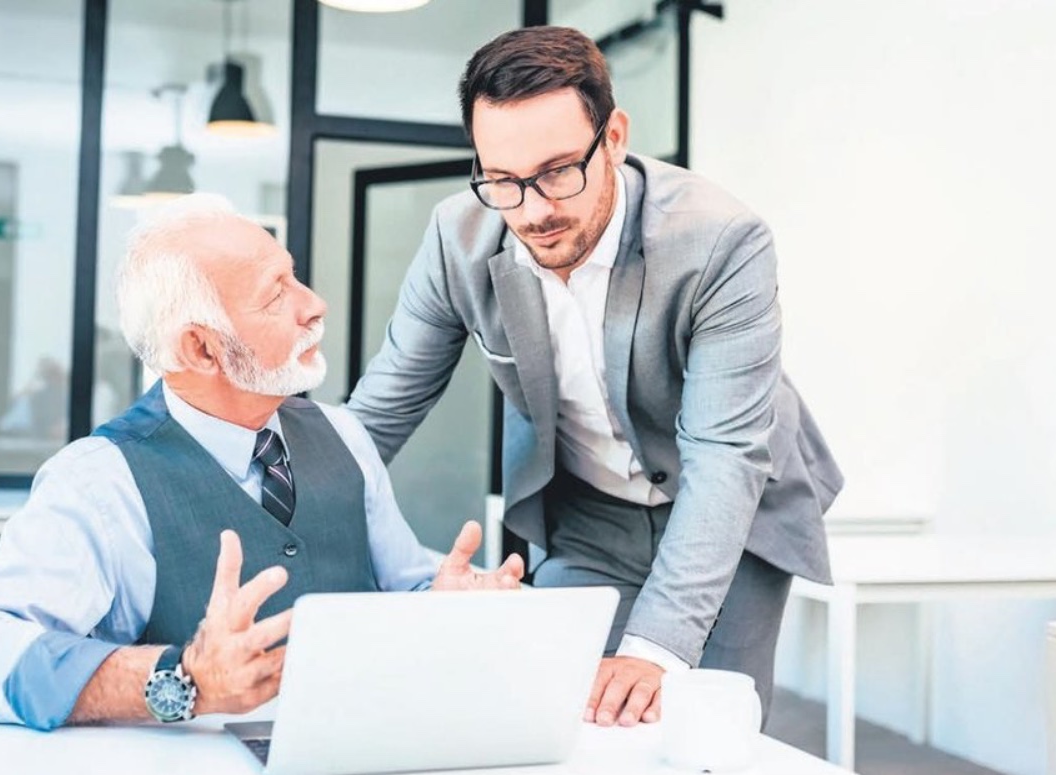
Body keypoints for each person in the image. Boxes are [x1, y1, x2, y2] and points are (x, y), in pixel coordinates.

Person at [346, 26, 843, 729]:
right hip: (589, 516)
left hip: (733, 514)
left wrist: (654, 648)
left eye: (556, 172)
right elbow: (380, 412)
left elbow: (724, 456)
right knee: (563, 715)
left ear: (613, 137)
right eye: (503, 181)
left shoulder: (721, 242)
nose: (533, 210)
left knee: (705, 731)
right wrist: (284, 523)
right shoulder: (457, 238)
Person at [0, 195, 524, 730]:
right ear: (200, 348)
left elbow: (405, 584)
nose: (314, 305)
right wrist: (180, 679)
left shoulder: (343, 434)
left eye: (295, 277)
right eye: (275, 295)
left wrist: (445, 602)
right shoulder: (99, 482)